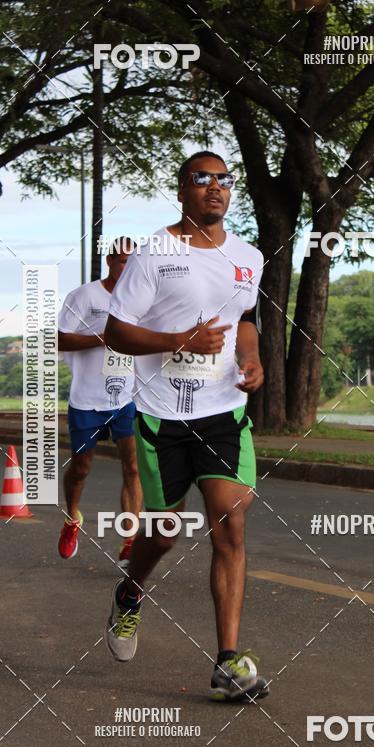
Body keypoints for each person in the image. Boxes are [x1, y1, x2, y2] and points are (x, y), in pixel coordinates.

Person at [103, 151, 268, 701]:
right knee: (164, 533)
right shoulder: (156, 254)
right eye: (202, 179)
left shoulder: (248, 256)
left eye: (223, 180)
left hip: (223, 412)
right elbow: (117, 333)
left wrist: (252, 360)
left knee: (231, 526)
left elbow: (244, 322)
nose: (215, 188)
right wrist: (180, 341)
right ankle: (130, 592)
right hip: (160, 416)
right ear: (182, 189)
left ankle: (228, 662)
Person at [57, 237, 142, 567]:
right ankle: (72, 519)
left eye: (134, 263)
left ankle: (129, 542)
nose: (128, 268)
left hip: (127, 398)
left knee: (133, 468)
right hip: (87, 399)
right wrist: (102, 338)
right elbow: (58, 339)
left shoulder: (143, 301)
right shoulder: (85, 296)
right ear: (110, 261)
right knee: (81, 469)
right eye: (123, 261)